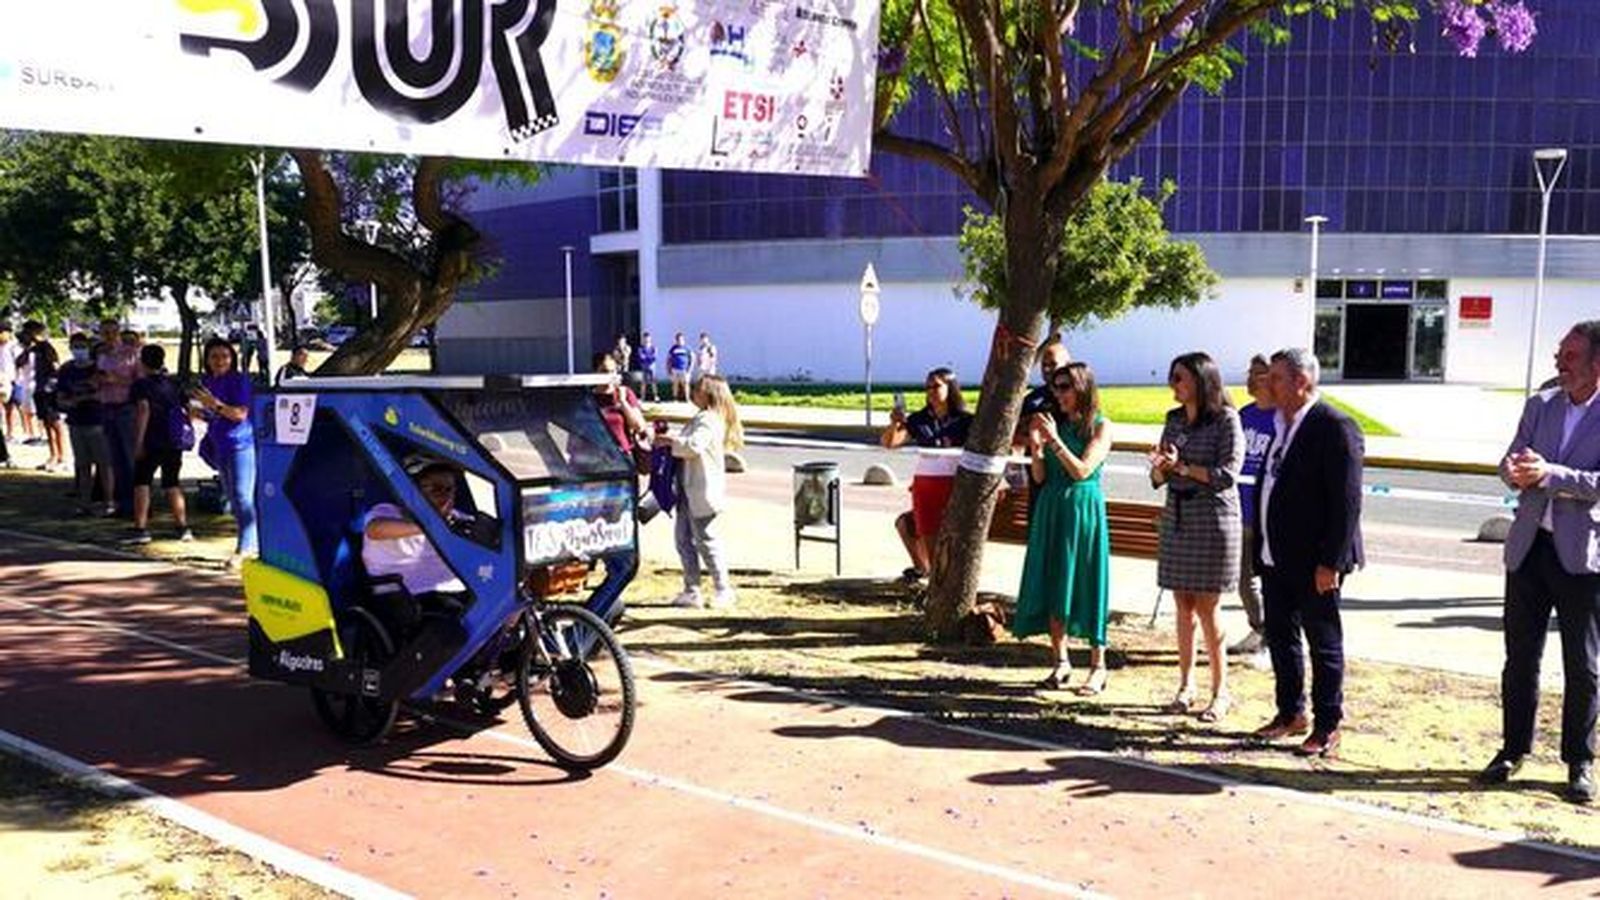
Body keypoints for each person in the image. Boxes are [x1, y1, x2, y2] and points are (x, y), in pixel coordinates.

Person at [1478, 320, 1600, 804]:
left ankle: (1579, 761)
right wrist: (1512, 471)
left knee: (1583, 666)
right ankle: (1512, 749)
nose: (1559, 363)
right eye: (1559, 354)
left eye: (1570, 356)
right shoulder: (1539, 404)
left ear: (1597, 363)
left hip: (1581, 558)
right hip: (1528, 549)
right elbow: (1509, 461)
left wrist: (1552, 474)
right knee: (1520, 658)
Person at [1251, 347, 1364, 758]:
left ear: (1303, 381)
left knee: (1323, 642)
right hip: (1275, 554)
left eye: (1277, 378)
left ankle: (1328, 724)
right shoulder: (1280, 422)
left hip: (1316, 560)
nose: (1269, 385)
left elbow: (1347, 502)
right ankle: (1289, 713)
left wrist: (1330, 561)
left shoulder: (1334, 426)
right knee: (1281, 636)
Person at [1149, 352, 1244, 723]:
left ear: (1201, 381)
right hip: (1178, 516)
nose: (1173, 384)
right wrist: (1160, 467)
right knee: (1182, 606)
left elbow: (1226, 475)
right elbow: (1158, 478)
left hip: (1213, 519)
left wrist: (1183, 467)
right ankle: (1186, 686)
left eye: (1179, 378)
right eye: (1172, 377)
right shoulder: (1173, 420)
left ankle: (1221, 691)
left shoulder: (1226, 420)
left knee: (1208, 607)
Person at [1012, 361, 1112, 694]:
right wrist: (1037, 449)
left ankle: (1098, 665)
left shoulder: (1100, 425)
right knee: (1055, 581)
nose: (1058, 394)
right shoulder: (1055, 423)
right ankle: (1060, 661)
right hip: (1052, 507)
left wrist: (1054, 440)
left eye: (1065, 386)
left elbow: (1082, 470)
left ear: (1082, 388)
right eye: (1055, 387)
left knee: (1086, 581)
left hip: (1082, 510)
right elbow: (1040, 477)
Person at [657, 373, 744, 609]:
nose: (693, 392)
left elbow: (694, 446)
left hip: (701, 489)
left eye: (697, 389)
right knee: (683, 539)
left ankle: (723, 588)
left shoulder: (708, 419)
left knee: (706, 540)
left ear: (708, 394)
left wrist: (669, 441)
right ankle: (691, 589)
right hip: (689, 489)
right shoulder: (703, 417)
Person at [880, 367, 973, 583]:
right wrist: (895, 423)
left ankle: (950, 583)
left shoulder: (965, 420)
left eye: (936, 386)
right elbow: (890, 443)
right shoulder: (919, 419)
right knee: (928, 532)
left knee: (950, 538)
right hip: (925, 486)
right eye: (927, 387)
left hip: (953, 486)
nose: (931, 391)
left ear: (950, 388)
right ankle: (933, 581)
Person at [362, 458, 471, 609]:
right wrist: (428, 526)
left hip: (459, 591)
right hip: (405, 596)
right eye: (436, 489)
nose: (445, 496)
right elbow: (374, 530)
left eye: (449, 489)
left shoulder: (458, 518)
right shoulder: (389, 512)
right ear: (413, 489)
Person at [193, 337, 258, 569]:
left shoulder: (239, 381)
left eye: (224, 356)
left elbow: (240, 414)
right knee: (231, 497)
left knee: (242, 495)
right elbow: (205, 413)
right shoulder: (207, 381)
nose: (219, 361)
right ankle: (250, 541)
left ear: (232, 358)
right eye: (214, 357)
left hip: (241, 444)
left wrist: (215, 405)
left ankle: (247, 547)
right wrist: (198, 410)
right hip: (219, 443)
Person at [1229, 355, 1276, 667]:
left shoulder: (1280, 418)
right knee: (1243, 580)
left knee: (1271, 581)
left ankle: (1271, 642)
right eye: (1250, 372)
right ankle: (1259, 630)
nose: (1250, 378)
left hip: (1267, 517)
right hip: (1240, 514)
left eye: (1257, 374)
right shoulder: (1243, 415)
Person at [126, 344, 192, 544]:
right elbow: (187, 408)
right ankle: (182, 526)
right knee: (172, 482)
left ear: (142, 362)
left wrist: (138, 441)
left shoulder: (141, 385)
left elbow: (143, 410)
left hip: (152, 438)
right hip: (173, 439)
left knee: (142, 482)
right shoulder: (173, 383)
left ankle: (141, 527)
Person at [57, 333, 116, 517]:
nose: (79, 350)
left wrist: (83, 398)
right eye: (75, 346)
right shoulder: (67, 369)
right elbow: (60, 394)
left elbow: (104, 391)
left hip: (97, 421)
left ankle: (108, 501)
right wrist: (66, 403)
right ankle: (84, 502)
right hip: (76, 422)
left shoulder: (98, 369)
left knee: (104, 464)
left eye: (82, 346)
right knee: (82, 465)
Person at [97, 322, 142, 515]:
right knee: (114, 458)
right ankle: (122, 503)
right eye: (104, 332)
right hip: (107, 406)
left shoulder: (131, 354)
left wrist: (118, 380)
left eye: (111, 332)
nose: (108, 336)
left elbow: (139, 383)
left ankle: (137, 504)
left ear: (118, 333)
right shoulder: (102, 355)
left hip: (126, 408)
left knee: (129, 457)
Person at [21, 322, 66, 472]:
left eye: (27, 332)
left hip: (49, 390)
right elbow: (19, 362)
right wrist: (27, 349)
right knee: (46, 423)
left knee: (55, 423)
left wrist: (53, 386)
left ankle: (62, 456)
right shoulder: (32, 349)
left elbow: (55, 367)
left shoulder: (47, 348)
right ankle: (52, 455)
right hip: (38, 389)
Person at [632, 332, 659, 402]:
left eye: (647, 338)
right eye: (645, 338)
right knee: (643, 383)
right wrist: (648, 357)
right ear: (643, 339)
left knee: (653, 382)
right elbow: (641, 357)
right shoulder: (641, 348)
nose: (646, 340)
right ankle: (642, 397)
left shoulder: (653, 347)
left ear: (650, 339)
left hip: (652, 367)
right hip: (644, 367)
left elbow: (654, 357)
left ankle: (656, 396)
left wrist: (647, 357)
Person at [0, 324, 16, 442]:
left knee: (11, 407)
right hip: (1, 379)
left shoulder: (13, 346)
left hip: (12, 380)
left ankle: (11, 431)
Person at [667, 332, 693, 402]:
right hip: (675, 369)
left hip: (684, 369)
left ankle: (687, 398)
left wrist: (690, 368)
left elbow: (692, 358)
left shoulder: (687, 348)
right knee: (675, 384)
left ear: (683, 340)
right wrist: (669, 369)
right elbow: (668, 359)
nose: (680, 341)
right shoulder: (673, 348)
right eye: (678, 340)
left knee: (686, 384)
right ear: (676, 340)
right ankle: (675, 398)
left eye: (681, 339)